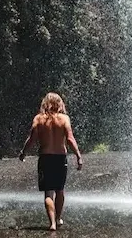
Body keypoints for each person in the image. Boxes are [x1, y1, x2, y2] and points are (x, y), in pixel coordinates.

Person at [19, 92, 84, 231]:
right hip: (60, 158)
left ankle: (52, 224)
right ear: (59, 103)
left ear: (45, 103)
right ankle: (58, 218)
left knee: (49, 193)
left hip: (45, 158)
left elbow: (31, 140)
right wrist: (78, 156)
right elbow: (70, 139)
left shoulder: (39, 119)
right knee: (60, 190)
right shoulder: (64, 119)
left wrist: (23, 152)